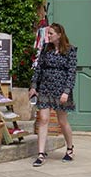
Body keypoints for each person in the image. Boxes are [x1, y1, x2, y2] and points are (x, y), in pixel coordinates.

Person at [30, 22, 77, 166]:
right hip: (45, 87)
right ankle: (41, 153)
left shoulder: (70, 50)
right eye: (48, 33)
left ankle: (69, 148)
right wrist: (33, 86)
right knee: (43, 119)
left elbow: (71, 73)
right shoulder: (45, 49)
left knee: (62, 121)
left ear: (59, 35)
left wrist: (66, 92)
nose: (48, 36)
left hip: (61, 89)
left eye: (50, 33)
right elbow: (39, 69)